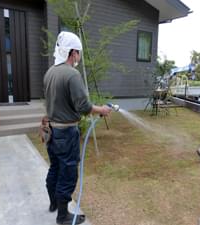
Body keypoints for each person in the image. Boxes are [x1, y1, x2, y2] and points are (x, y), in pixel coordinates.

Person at [43, 31, 112, 225]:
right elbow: (83, 107)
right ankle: (63, 216)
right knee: (68, 171)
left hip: (51, 131)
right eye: (78, 53)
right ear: (73, 53)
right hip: (66, 132)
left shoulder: (50, 72)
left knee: (55, 167)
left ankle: (53, 204)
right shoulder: (71, 74)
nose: (79, 57)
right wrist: (102, 110)